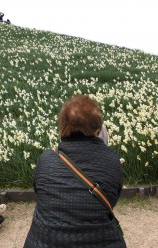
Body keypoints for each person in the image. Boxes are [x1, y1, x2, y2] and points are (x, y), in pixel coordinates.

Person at [24, 95, 126, 248]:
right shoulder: (111, 160)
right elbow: (111, 200)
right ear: (98, 129)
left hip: (44, 241)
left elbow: (40, 193)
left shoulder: (46, 159)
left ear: (62, 128)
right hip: (101, 240)